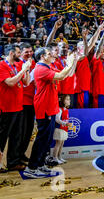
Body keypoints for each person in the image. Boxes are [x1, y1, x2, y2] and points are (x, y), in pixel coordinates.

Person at [23, 47, 77, 178]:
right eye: (49, 53)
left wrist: (73, 61)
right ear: (42, 57)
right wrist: (69, 63)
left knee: (47, 139)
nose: (52, 55)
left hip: (51, 107)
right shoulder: (41, 69)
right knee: (42, 138)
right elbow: (61, 75)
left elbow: (67, 75)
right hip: (44, 107)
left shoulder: (48, 67)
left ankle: (40, 164)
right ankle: (31, 168)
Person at [0, 45, 32, 171]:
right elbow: (11, 82)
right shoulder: (0, 66)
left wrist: (27, 69)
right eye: (19, 53)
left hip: (18, 106)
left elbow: (27, 83)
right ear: (12, 53)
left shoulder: (17, 66)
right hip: (7, 107)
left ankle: (13, 163)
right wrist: (23, 70)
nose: (20, 55)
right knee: (2, 137)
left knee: (16, 136)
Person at [15, 43, 36, 165]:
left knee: (28, 131)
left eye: (30, 51)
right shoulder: (18, 64)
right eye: (26, 52)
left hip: (31, 101)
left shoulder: (32, 63)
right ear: (21, 52)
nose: (29, 54)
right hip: (21, 102)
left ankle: (22, 154)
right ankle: (15, 157)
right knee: (20, 132)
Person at [51, 94, 73, 164]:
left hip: (64, 129)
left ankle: (59, 157)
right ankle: (55, 157)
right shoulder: (59, 109)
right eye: (67, 99)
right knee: (58, 143)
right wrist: (65, 123)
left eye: (69, 99)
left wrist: (67, 124)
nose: (69, 100)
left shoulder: (66, 109)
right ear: (62, 101)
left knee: (62, 143)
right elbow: (57, 120)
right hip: (59, 129)